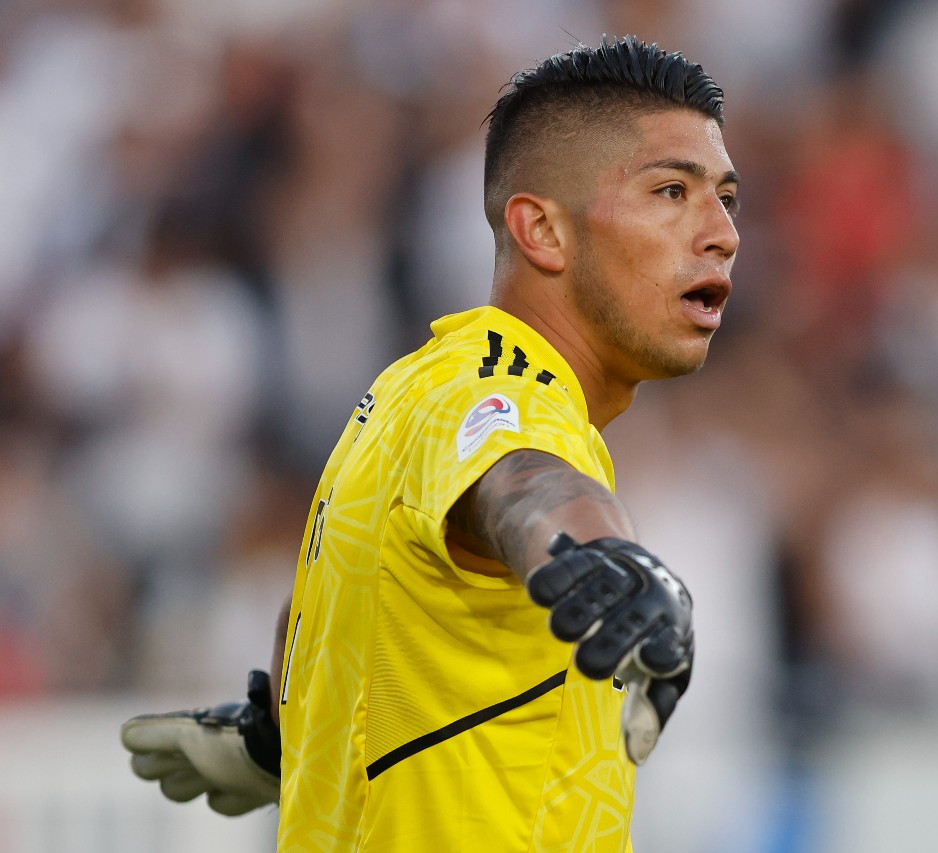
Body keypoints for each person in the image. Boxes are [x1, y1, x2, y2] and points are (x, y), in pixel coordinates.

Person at [120, 34, 740, 852]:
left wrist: (288, 726)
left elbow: (331, 597)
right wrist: (604, 560)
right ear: (542, 232)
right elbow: (521, 483)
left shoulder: (400, 397)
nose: (723, 232)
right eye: (672, 191)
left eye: (727, 197)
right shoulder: (502, 391)